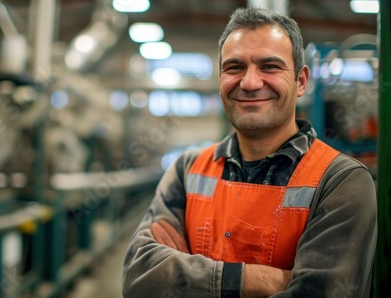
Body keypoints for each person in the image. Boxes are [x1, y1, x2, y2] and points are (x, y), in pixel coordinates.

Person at [122, 7, 377, 298]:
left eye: (270, 66)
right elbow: (139, 277)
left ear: (301, 81)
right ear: (220, 80)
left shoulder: (341, 182)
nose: (250, 82)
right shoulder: (187, 169)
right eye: (234, 67)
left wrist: (186, 277)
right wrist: (266, 281)